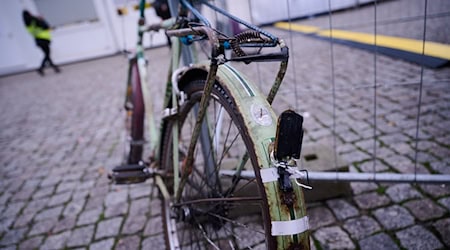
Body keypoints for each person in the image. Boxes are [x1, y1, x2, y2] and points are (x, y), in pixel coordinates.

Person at [22, 10, 60, 76]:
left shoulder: (27, 25)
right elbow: (46, 27)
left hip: (38, 40)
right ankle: (41, 68)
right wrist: (42, 19)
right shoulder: (35, 20)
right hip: (44, 38)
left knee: (47, 54)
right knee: (47, 55)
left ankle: (54, 68)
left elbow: (34, 31)